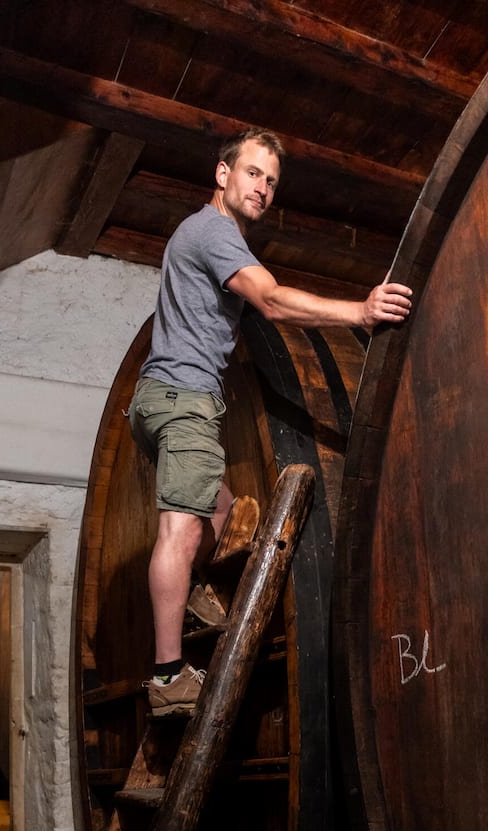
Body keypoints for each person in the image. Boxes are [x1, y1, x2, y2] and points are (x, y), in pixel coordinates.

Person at [129, 126, 412, 714]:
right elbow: (272, 300)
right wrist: (358, 311)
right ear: (223, 174)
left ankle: (196, 595)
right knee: (180, 533)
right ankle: (167, 677)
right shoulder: (213, 232)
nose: (262, 188)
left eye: (272, 181)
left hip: (165, 398)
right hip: (183, 398)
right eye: (253, 173)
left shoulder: (204, 233)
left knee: (226, 513)